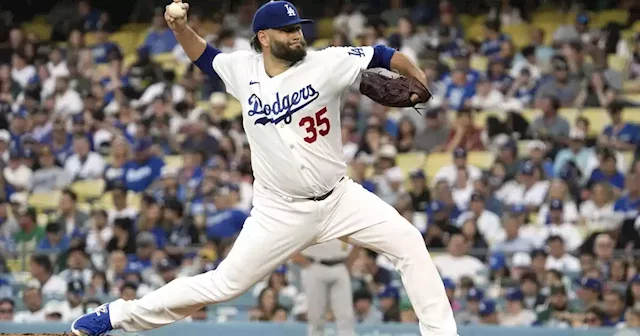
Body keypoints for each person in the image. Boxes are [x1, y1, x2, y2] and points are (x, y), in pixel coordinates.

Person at [70, 2, 456, 336]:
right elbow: (204, 57)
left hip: (340, 198)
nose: (297, 35)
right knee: (223, 285)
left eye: (298, 29)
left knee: (410, 243)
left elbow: (384, 55)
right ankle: (117, 314)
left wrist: (417, 74)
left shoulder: (328, 61)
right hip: (280, 210)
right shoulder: (243, 69)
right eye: (288, 31)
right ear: (264, 37)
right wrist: (180, 27)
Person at [292, 239, 356, 336]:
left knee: (346, 316)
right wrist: (301, 260)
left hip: (340, 264)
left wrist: (349, 263)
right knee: (316, 318)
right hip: (314, 264)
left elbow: (359, 237)